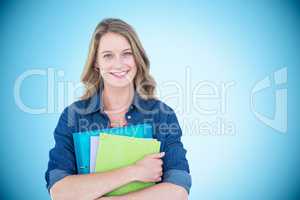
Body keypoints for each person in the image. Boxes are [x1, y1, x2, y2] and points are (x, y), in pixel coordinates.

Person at [45, 18, 191, 200]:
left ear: (137, 58)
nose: (119, 64)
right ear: (96, 63)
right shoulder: (73, 116)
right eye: (108, 55)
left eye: (127, 53)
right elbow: (60, 192)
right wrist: (135, 171)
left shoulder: (162, 115)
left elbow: (178, 190)